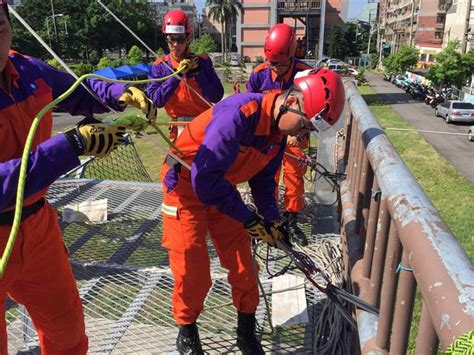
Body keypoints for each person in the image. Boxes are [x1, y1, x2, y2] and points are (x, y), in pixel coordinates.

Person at [0, 2, 156, 353]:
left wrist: (119, 93)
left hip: (37, 227)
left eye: (0, 25)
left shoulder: (27, 71)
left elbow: (78, 90)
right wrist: (71, 145)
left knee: (67, 332)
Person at [161, 68, 345, 354]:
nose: (302, 134)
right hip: (185, 186)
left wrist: (273, 220)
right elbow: (205, 179)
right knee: (192, 268)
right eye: (305, 125)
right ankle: (187, 329)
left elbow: (262, 184)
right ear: (293, 103)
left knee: (244, 267)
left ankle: (246, 333)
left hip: (221, 189)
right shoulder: (239, 115)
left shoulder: (277, 134)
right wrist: (248, 219)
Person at [247, 23, 315, 247]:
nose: (275, 68)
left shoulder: (305, 74)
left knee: (294, 178)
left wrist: (300, 130)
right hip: (268, 136)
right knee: (267, 176)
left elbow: (315, 109)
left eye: (281, 64)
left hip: (296, 135)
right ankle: (268, 219)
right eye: (272, 63)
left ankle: (291, 220)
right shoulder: (259, 75)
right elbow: (249, 106)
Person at [146, 9, 223, 141]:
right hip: (178, 127)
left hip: (204, 123)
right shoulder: (160, 66)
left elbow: (217, 96)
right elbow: (157, 100)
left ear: (188, 38)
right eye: (171, 40)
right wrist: (177, 76)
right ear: (166, 39)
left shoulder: (202, 62)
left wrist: (199, 74)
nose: (175, 45)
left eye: (180, 40)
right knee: (176, 162)